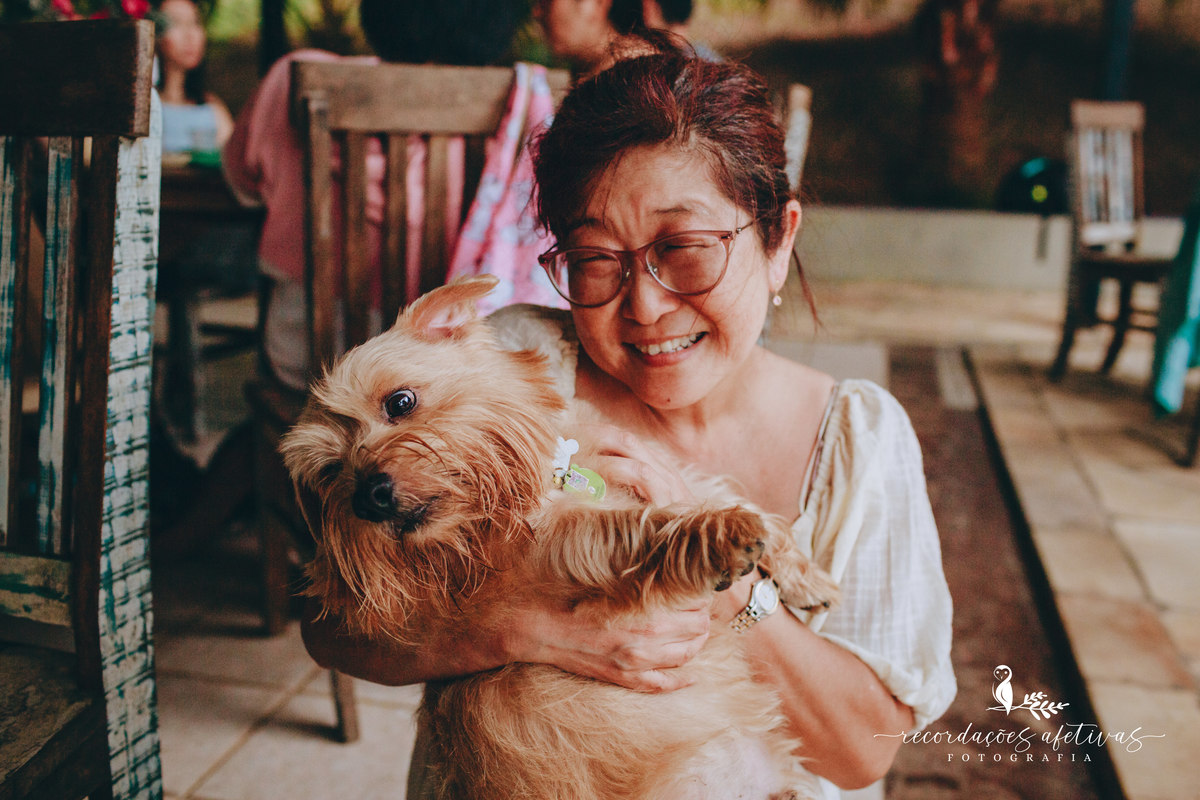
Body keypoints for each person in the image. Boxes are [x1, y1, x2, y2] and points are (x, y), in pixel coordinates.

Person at [302, 42, 956, 799]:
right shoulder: (514, 366)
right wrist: (516, 627)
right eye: (595, 261)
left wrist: (730, 590)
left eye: (684, 249)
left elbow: (861, 751)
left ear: (778, 242)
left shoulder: (861, 442)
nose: (644, 307)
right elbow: (332, 627)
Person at [222, 0, 527, 390]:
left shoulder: (296, 77)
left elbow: (241, 185)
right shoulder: (519, 102)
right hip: (439, 376)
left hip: (306, 360)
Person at [152, 0, 234, 154]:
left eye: (195, 22)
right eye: (176, 23)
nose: (190, 35)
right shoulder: (142, 109)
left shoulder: (213, 110)